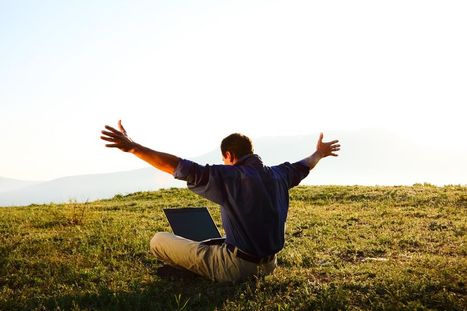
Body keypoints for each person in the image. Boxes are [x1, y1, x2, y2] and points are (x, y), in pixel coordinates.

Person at [100, 120, 340, 282]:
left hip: (238, 269)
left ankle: (192, 272)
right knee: (213, 242)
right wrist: (319, 153)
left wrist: (134, 148)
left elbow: (180, 167)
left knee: (158, 240)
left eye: (224, 159)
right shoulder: (279, 174)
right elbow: (304, 166)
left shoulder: (231, 176)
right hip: (269, 266)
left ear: (230, 156)